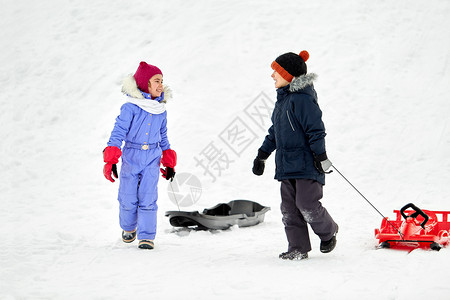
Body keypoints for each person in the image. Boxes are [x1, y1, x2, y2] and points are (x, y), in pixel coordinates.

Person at [252, 51, 338, 260]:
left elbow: (315, 129)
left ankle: (329, 231)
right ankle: (298, 247)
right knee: (289, 209)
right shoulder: (282, 101)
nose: (272, 75)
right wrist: (262, 154)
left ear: (289, 75)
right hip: (286, 166)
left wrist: (321, 156)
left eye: (276, 71)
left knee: (307, 205)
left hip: (308, 165)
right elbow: (275, 132)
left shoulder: (302, 100)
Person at [103, 61, 177, 250]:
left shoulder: (160, 110)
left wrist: (169, 163)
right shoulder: (130, 108)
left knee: (148, 197)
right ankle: (129, 227)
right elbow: (118, 132)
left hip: (152, 157)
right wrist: (111, 160)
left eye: (162, 81)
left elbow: (164, 137)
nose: (161, 85)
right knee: (128, 197)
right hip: (132, 156)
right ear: (145, 84)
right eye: (157, 81)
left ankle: (146, 236)